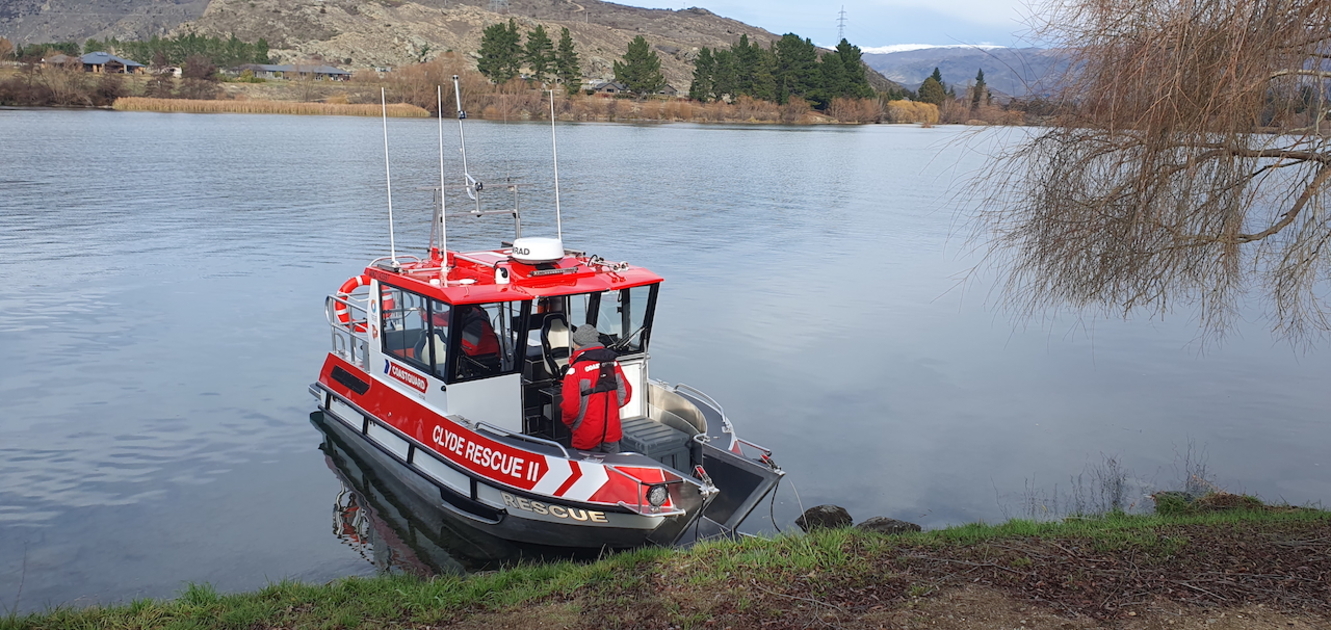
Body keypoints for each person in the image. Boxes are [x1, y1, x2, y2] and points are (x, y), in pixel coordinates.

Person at [560, 325, 631, 453]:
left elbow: (570, 408)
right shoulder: (613, 364)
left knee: (587, 469)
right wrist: (610, 410)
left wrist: (572, 424)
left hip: (586, 434)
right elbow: (625, 394)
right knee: (612, 469)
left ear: (576, 345)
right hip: (611, 432)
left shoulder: (575, 371)